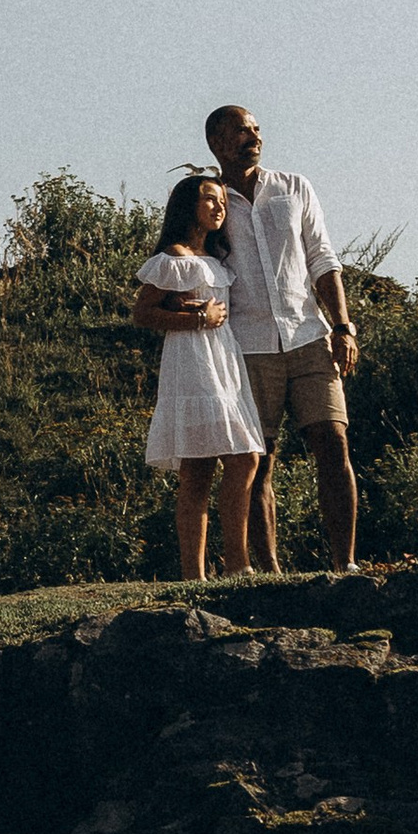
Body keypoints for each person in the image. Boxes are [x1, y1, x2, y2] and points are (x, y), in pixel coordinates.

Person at [203, 103, 359, 572]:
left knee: (333, 441)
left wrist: (343, 325)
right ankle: (269, 571)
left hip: (309, 334)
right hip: (246, 345)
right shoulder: (209, 200)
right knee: (259, 460)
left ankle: (345, 564)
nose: (254, 137)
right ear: (217, 143)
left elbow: (323, 259)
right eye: (241, 131)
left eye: (256, 129)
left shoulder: (294, 188)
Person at [131, 172, 264, 581]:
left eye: (222, 200)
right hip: (192, 361)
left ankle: (235, 562)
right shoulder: (172, 258)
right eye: (209, 199)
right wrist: (196, 319)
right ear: (188, 206)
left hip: (224, 360)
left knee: (244, 458)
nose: (219, 207)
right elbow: (142, 314)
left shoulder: (215, 261)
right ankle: (200, 573)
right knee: (201, 467)